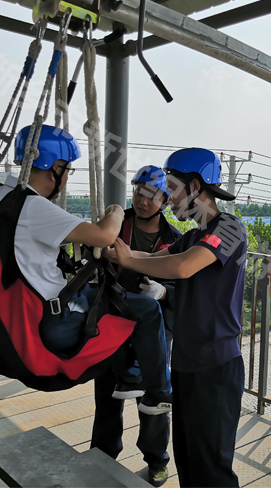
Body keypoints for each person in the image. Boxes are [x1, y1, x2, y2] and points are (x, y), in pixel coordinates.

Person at [0, 124, 172, 414]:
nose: (143, 200)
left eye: (152, 195)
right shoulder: (32, 206)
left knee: (115, 301)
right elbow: (104, 236)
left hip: (25, 308)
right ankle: (159, 392)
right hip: (54, 316)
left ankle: (131, 377)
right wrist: (115, 212)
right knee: (144, 310)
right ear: (55, 169)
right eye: (68, 170)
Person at [107, 148, 247, 487]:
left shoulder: (228, 228)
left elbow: (182, 266)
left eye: (171, 188)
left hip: (215, 366)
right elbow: (152, 256)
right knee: (188, 460)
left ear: (196, 187)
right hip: (185, 363)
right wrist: (110, 248)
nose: (166, 199)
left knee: (211, 467)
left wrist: (128, 260)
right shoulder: (191, 236)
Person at [91, 165, 181, 487]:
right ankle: (102, 454)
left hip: (154, 329)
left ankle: (157, 460)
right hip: (112, 319)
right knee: (107, 393)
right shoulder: (115, 225)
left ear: (164, 200)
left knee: (154, 400)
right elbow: (94, 254)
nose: (142, 200)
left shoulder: (175, 240)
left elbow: (183, 283)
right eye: (138, 192)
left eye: (150, 195)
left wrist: (164, 291)